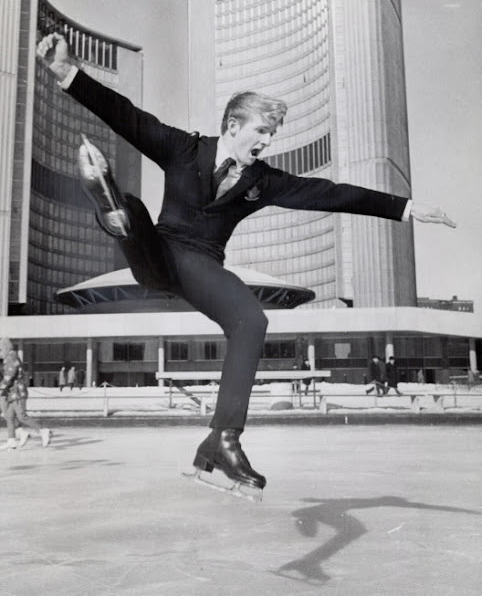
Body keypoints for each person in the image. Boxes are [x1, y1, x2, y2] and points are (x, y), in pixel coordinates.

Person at [37, 32, 456, 496]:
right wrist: (66, 72)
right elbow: (126, 116)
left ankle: (221, 440)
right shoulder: (183, 149)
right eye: (261, 131)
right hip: (157, 252)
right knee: (134, 211)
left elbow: (331, 194)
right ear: (233, 125)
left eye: (272, 135)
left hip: (203, 267)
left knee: (251, 321)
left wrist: (405, 208)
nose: (266, 142)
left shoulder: (263, 180)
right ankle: (115, 208)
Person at [0, 338, 52, 450]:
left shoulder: (12, 357)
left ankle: (43, 431)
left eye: (0, 350)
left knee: (21, 416)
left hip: (18, 393)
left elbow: (9, 375)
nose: (0, 354)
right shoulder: (9, 358)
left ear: (5, 348)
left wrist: (1, 386)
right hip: (12, 394)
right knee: (9, 416)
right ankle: (11, 440)